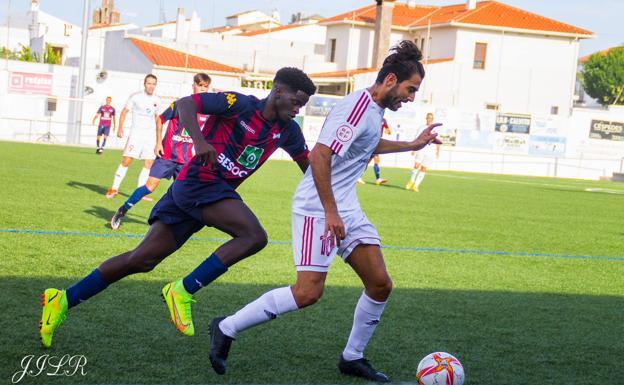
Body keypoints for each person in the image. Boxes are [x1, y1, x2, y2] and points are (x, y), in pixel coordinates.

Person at [206, 41, 441, 382]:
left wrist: (411, 145)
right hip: (318, 207)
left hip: (344, 205)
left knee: (379, 284)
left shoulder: (374, 112)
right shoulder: (356, 106)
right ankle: (226, 327)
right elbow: (320, 156)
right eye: (410, 89)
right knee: (308, 292)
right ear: (390, 80)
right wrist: (331, 212)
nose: (411, 97)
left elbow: (365, 144)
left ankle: (352, 357)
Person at [38, 67, 316, 348]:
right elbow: (185, 105)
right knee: (254, 237)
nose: (298, 109)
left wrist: (332, 195)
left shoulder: (288, 131)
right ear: (278, 91)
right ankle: (182, 290)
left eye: (302, 105)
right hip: (199, 183)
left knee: (141, 260)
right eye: (296, 102)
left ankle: (61, 299)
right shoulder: (239, 104)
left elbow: (309, 168)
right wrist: (199, 140)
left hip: (203, 193)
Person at [110, 73, 211, 230]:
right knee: (150, 187)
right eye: (200, 85)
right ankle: (123, 209)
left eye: (205, 86)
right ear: (193, 86)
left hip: (185, 159)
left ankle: (177, 223)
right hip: (168, 155)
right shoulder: (181, 104)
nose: (203, 89)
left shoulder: (209, 111)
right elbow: (160, 119)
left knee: (186, 192)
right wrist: (158, 142)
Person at [105, 74, 163, 199]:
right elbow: (124, 111)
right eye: (149, 83)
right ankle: (114, 188)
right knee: (127, 160)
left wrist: (159, 138)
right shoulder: (136, 97)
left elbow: (158, 118)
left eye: (153, 83)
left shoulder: (158, 100)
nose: (151, 86)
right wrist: (120, 128)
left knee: (149, 162)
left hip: (150, 136)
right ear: (144, 83)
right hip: (136, 134)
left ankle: (140, 192)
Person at [405, 112, 440, 192]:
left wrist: (437, 152)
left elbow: (438, 141)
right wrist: (414, 149)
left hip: (430, 152)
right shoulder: (422, 128)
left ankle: (416, 185)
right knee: (416, 165)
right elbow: (417, 138)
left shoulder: (436, 129)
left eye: (431, 118)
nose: (429, 120)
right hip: (421, 149)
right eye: (428, 118)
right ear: (426, 119)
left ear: (433, 119)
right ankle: (411, 181)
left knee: (424, 168)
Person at [356, 119, 392, 186]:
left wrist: (388, 131)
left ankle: (376, 179)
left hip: (377, 141)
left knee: (372, 160)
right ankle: (359, 176)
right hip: (372, 141)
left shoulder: (383, 120)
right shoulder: (373, 118)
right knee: (371, 160)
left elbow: (388, 131)